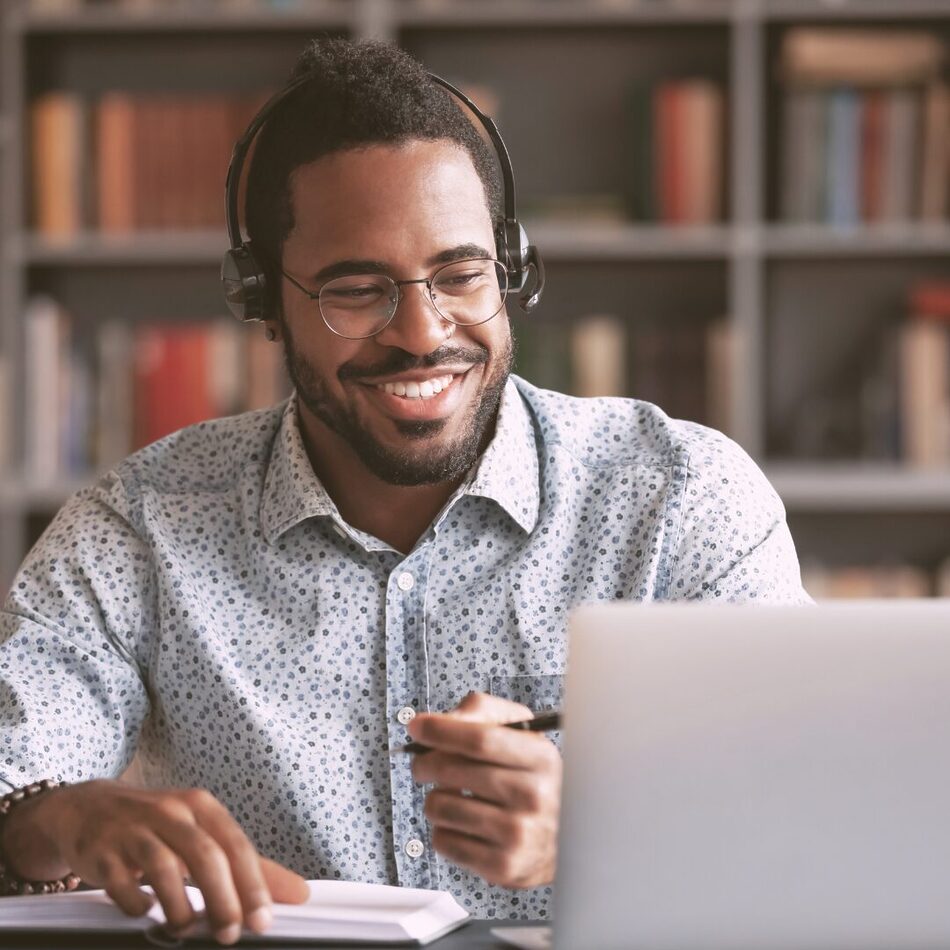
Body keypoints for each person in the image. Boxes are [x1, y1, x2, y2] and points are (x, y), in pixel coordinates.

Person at [0, 37, 810, 944]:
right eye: (357, 290)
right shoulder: (139, 528)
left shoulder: (685, 499)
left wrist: (590, 841)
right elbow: (13, 775)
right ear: (264, 300)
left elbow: (808, 838)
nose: (423, 333)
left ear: (512, 270)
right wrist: (58, 818)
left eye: (461, 275)